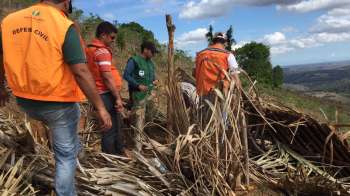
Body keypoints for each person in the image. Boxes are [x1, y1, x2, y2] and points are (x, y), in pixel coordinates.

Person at [0, 1, 112, 195]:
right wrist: (101, 108)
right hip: (56, 104)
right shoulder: (63, 25)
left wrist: (1, 87)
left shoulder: (9, 21)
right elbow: (81, 72)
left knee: (73, 118)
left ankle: (76, 149)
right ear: (67, 2)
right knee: (65, 157)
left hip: (24, 100)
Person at [86, 21, 125, 155]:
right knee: (110, 128)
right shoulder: (101, 51)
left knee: (108, 126)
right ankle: (111, 157)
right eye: (112, 37)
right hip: (105, 94)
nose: (113, 41)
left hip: (97, 93)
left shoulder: (90, 49)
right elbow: (107, 77)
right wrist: (117, 98)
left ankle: (111, 154)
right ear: (103, 35)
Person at [194, 32, 241, 126]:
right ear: (225, 43)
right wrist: (239, 93)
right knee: (221, 124)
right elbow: (235, 77)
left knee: (203, 122)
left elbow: (194, 73)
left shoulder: (200, 54)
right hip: (220, 96)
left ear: (213, 41)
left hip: (202, 93)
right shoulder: (228, 55)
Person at [123, 41, 158, 151]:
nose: (153, 55)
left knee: (150, 119)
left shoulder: (151, 63)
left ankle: (148, 143)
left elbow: (153, 77)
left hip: (150, 96)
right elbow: (126, 75)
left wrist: (155, 80)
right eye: (152, 52)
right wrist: (137, 85)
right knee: (138, 121)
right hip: (139, 96)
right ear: (146, 50)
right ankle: (137, 148)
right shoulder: (134, 60)